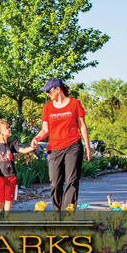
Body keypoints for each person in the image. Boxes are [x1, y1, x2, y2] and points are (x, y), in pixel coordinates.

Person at [30, 78, 91, 213]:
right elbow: (45, 130)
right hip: (54, 148)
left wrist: (88, 147)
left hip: (73, 146)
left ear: (58, 89)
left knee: (72, 182)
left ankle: (67, 218)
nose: (47, 94)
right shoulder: (47, 108)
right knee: (55, 184)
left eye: (49, 91)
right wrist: (36, 138)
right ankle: (58, 215)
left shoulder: (75, 104)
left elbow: (82, 126)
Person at [0, 119, 36, 218]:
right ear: (0, 132)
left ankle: (6, 218)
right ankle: (1, 210)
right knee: (0, 200)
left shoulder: (11, 145)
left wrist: (32, 147)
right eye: (7, 128)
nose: (9, 129)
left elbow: (23, 150)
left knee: (9, 198)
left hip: (11, 176)